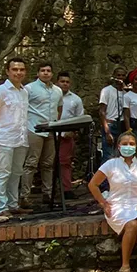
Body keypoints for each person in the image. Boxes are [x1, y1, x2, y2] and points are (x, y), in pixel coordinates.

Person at [88, 131, 137, 272]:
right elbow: (93, 184)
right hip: (117, 205)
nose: (128, 147)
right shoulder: (111, 164)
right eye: (124, 144)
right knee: (131, 225)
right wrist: (102, 203)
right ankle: (124, 267)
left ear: (136, 146)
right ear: (118, 146)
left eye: (131, 144)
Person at [0, 57, 32, 222]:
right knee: (3, 172)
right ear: (7, 72)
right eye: (15, 69)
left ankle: (13, 204)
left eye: (21, 69)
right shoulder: (0, 91)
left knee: (16, 172)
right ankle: (2, 208)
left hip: (20, 138)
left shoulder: (24, 92)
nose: (18, 72)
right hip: (4, 138)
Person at [21, 61, 63, 206]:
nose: (46, 73)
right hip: (34, 129)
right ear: (38, 73)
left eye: (48, 71)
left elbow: (59, 108)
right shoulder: (29, 89)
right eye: (43, 70)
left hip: (51, 130)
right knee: (31, 163)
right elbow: (21, 107)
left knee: (48, 164)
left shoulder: (57, 90)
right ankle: (24, 196)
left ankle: (48, 194)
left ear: (52, 73)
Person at [57, 71, 84, 200]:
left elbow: (80, 118)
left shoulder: (75, 99)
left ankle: (66, 189)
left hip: (66, 135)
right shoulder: (51, 96)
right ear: (57, 82)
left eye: (67, 82)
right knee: (47, 163)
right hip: (49, 134)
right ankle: (48, 191)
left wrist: (73, 132)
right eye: (62, 81)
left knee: (65, 163)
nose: (65, 84)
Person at [99, 65, 128, 162]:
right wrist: (107, 131)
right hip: (110, 124)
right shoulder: (106, 90)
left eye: (123, 75)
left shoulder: (126, 92)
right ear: (114, 76)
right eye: (118, 75)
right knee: (109, 156)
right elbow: (102, 111)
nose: (120, 78)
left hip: (121, 124)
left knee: (120, 155)